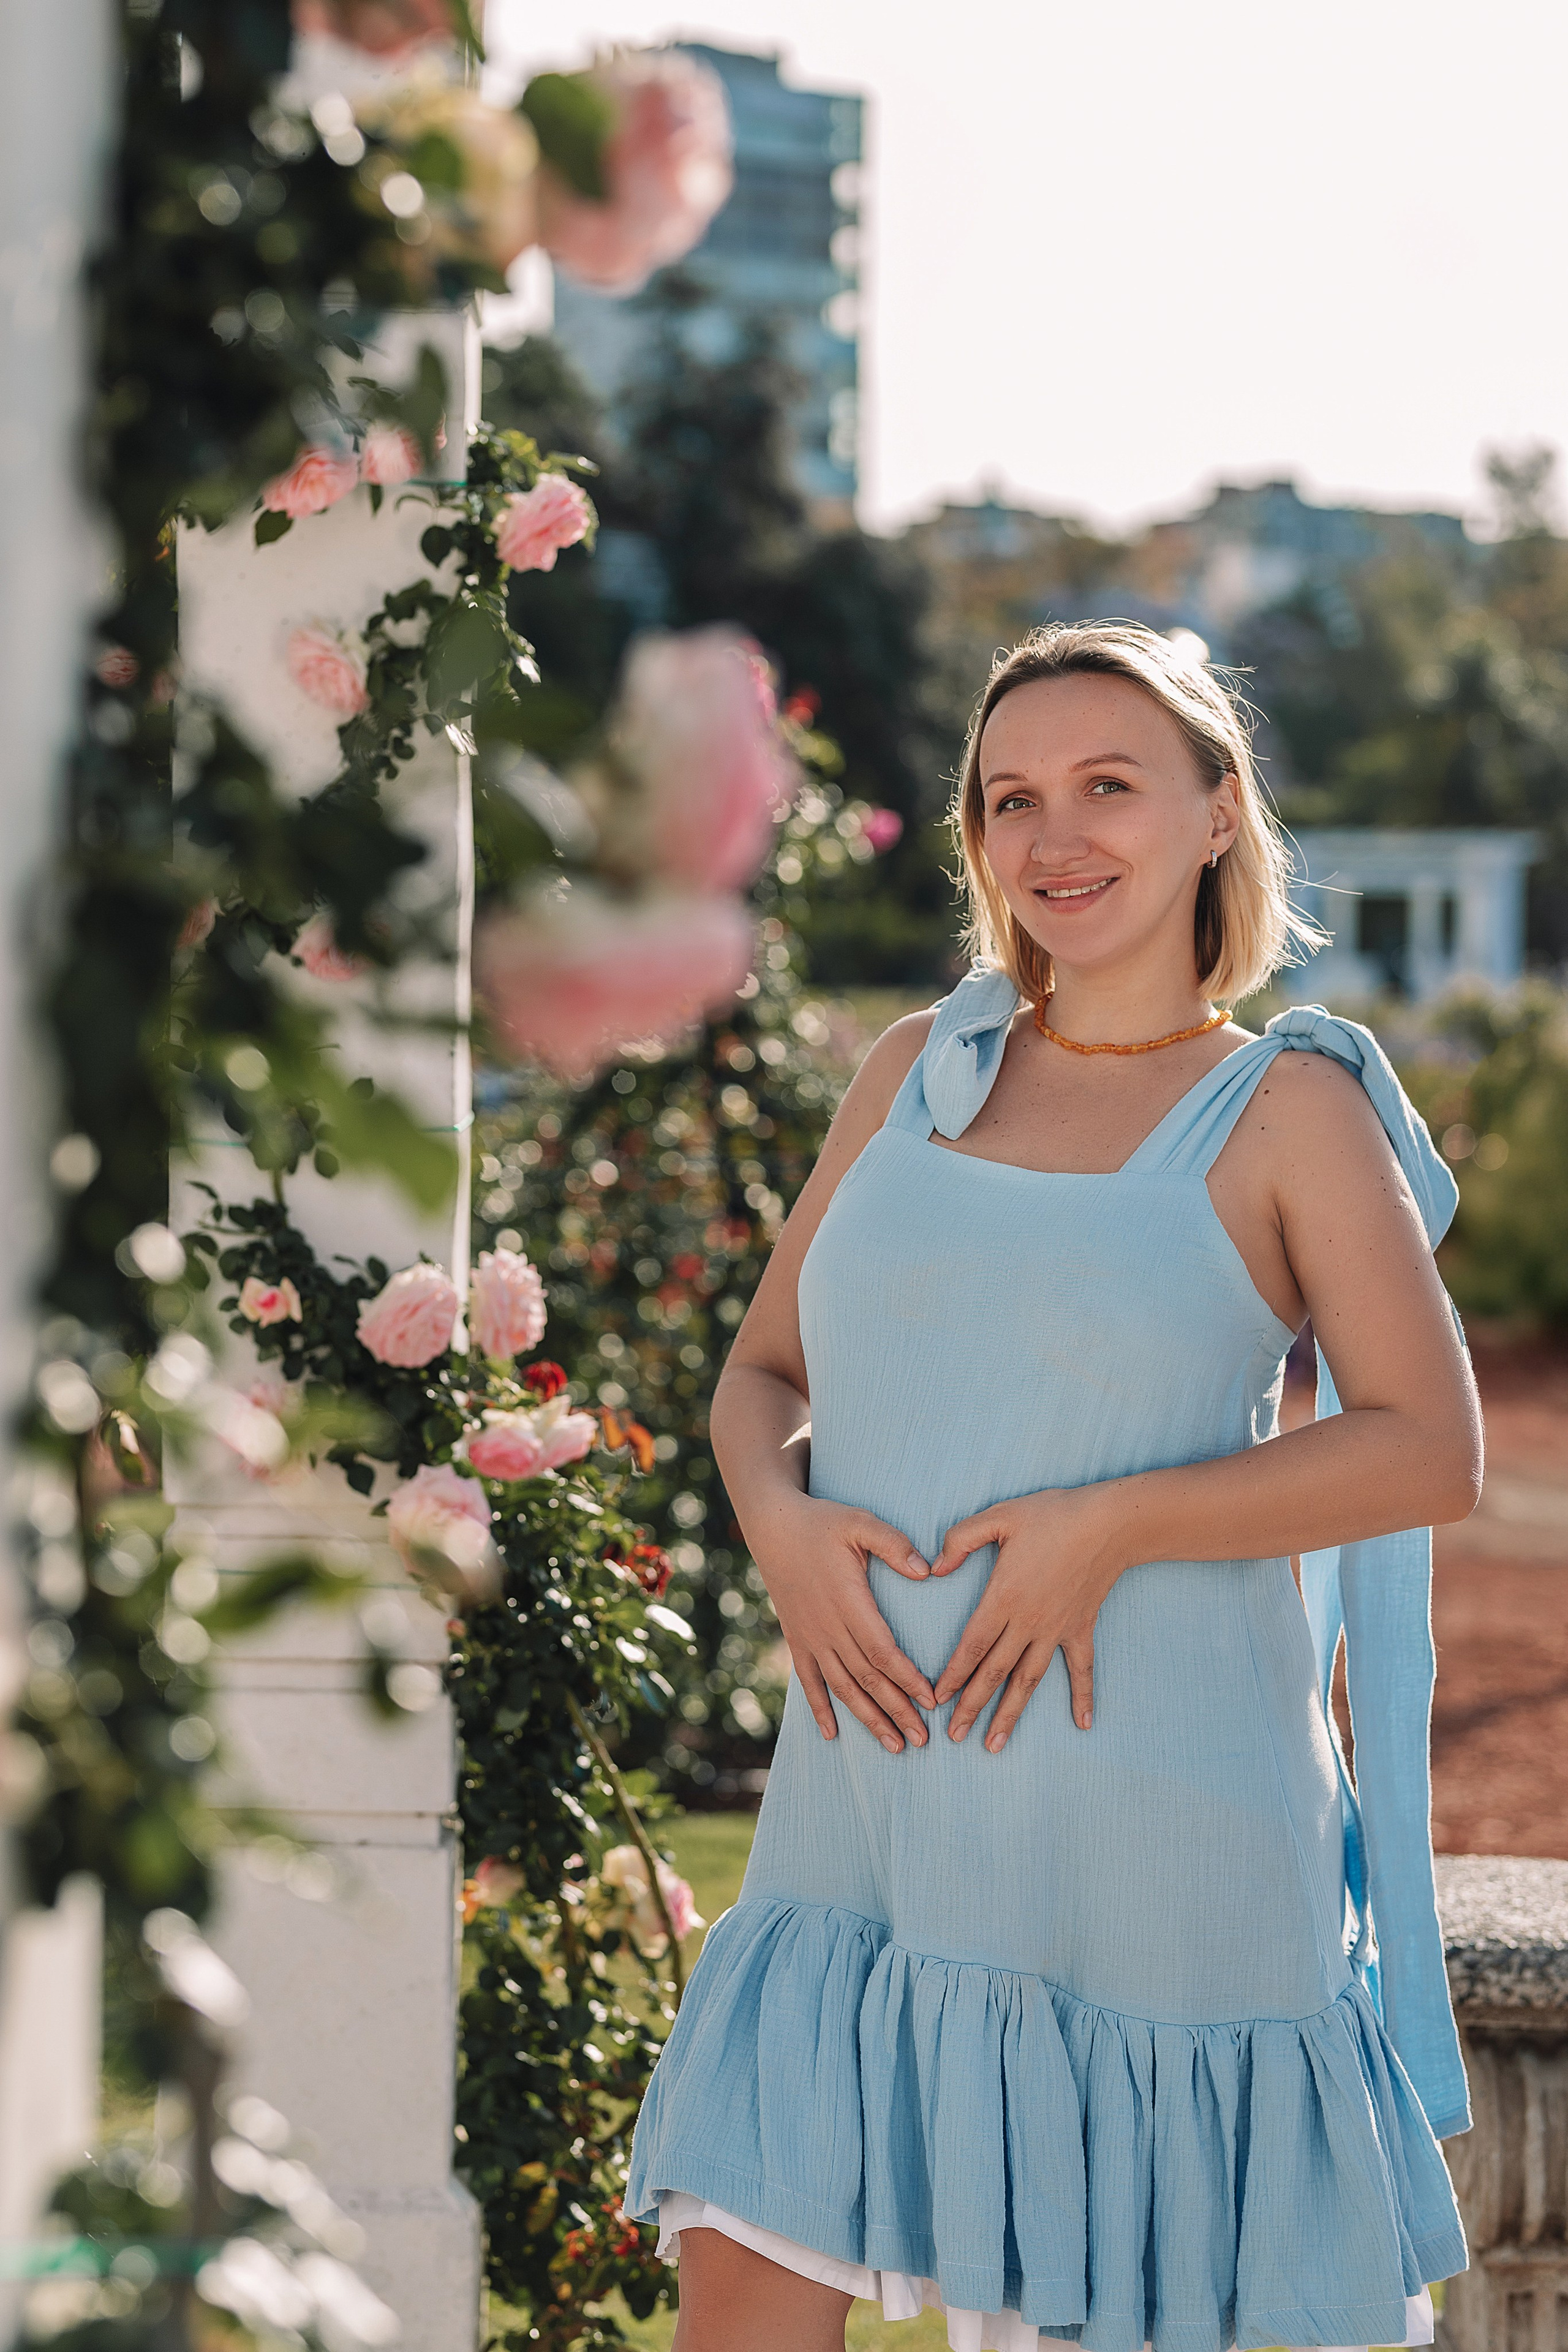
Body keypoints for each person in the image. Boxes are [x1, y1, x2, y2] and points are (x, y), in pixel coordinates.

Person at [624, 622, 1482, 2352]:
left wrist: (1111, 1527)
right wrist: (782, 1527)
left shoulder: (1285, 1106)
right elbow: (762, 1377)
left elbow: (1426, 1443)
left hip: (1161, 1863)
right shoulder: (913, 1075)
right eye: (1012, 800)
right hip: (861, 1828)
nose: (1056, 838)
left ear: (1218, 811)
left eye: (1110, 786)